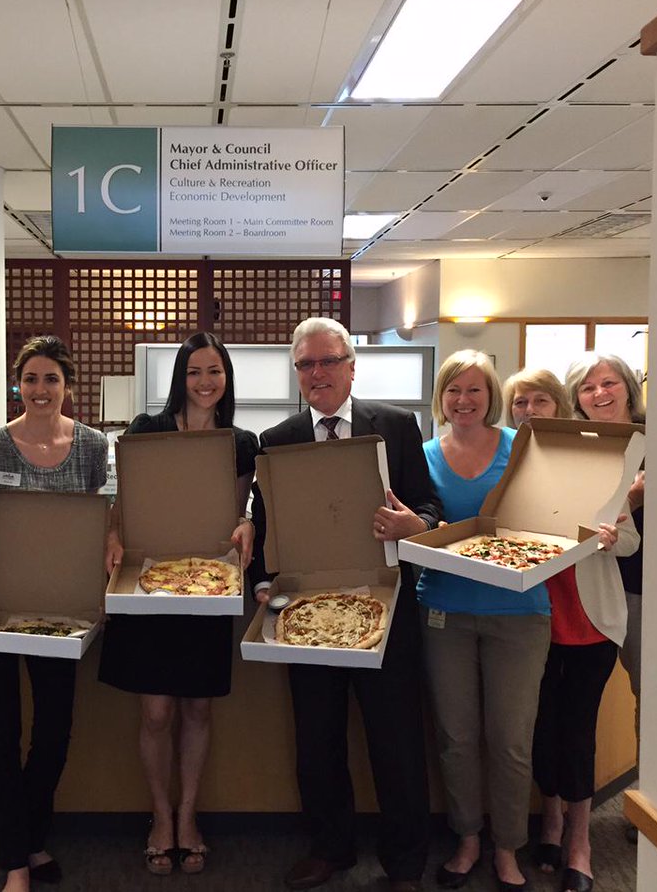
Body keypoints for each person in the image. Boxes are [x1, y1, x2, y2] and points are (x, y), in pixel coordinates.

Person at [248, 317, 441, 892]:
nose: (317, 374)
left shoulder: (397, 426)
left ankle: (406, 860)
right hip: (305, 608)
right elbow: (265, 523)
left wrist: (417, 524)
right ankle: (329, 848)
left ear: (351, 366)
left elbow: (428, 505)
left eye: (327, 361)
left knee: (397, 739)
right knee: (318, 737)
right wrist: (262, 580)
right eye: (305, 364)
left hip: (386, 601)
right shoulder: (277, 441)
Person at [0, 336, 107, 892]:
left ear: (67, 386)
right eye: (30, 379)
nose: (39, 390)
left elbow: (108, 531)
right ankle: (15, 858)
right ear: (17, 385)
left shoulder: (93, 447)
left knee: (55, 732)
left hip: (64, 612)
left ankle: (32, 835)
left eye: (51, 379)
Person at [98, 332, 257, 877]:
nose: (206, 382)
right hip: (147, 582)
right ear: (179, 378)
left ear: (227, 377)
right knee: (156, 710)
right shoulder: (149, 429)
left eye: (215, 371)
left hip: (207, 585)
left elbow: (234, 513)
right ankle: (159, 816)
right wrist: (114, 535)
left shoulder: (242, 441)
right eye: (195, 372)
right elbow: (125, 501)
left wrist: (245, 526)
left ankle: (187, 818)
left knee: (197, 707)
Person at [418, 350, 548, 892]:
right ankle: (468, 837)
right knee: (456, 736)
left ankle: (507, 846)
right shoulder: (423, 453)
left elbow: (553, 516)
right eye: (453, 390)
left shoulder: (526, 448)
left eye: (474, 390)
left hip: (519, 612)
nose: (463, 401)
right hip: (445, 608)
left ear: (492, 395)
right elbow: (415, 519)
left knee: (511, 739)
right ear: (441, 397)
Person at [506, 368, 638, 892]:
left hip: (588, 618)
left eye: (541, 400)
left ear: (560, 406)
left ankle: (579, 842)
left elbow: (629, 542)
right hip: (529, 615)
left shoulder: (596, 457)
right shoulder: (511, 457)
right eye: (521, 401)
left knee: (577, 732)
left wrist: (610, 537)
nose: (530, 410)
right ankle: (553, 823)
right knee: (541, 729)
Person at [565, 352, 646, 846]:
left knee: (656, 696)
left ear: (627, 388)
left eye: (609, 383)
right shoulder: (582, 446)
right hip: (606, 587)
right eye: (588, 388)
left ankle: (653, 806)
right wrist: (631, 499)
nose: (600, 394)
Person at [503, 367, 573, 425]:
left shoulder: (577, 441)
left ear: (559, 406)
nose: (530, 411)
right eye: (520, 402)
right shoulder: (502, 441)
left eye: (540, 401)